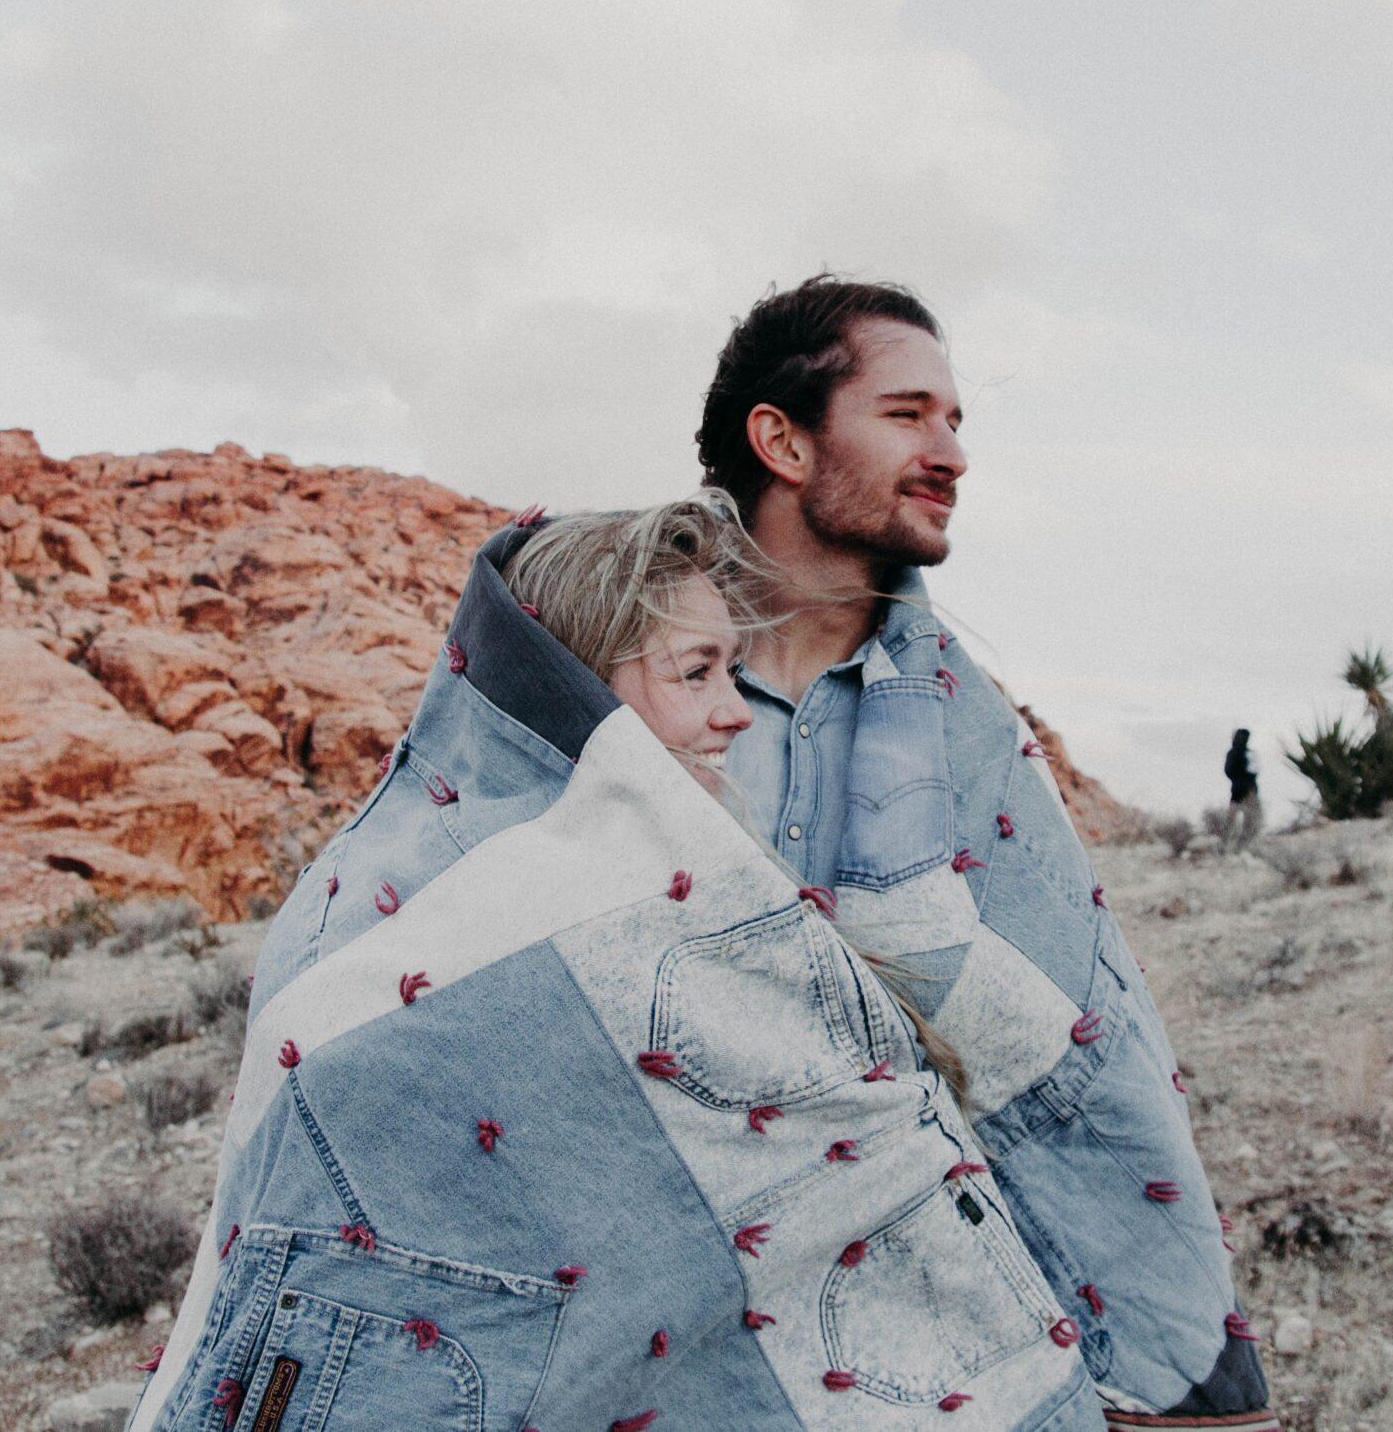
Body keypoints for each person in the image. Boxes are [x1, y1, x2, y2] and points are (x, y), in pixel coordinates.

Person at [130, 493, 1105, 1430]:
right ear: (584, 698)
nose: (736, 714)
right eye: (695, 674)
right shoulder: (414, 934)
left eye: (734, 672)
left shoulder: (703, 906)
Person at [701, 276, 1278, 1430]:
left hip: (919, 1299)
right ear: (783, 441)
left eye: (957, 420)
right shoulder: (621, 674)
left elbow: (1084, 1035)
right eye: (909, 414)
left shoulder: (960, 727)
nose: (952, 452)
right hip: (686, 1280)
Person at [1219, 728, 1262, 854]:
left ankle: (1240, 846)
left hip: (1244, 790)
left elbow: (1253, 770)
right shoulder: (1238, 753)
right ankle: (1230, 846)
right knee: (1237, 820)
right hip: (1242, 790)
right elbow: (1230, 771)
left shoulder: (1245, 753)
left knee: (1248, 820)